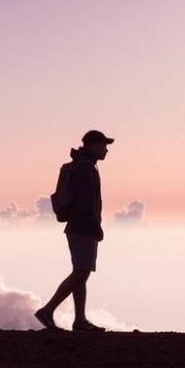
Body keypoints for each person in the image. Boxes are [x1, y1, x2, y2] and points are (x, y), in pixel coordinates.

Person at [35, 130, 115, 331]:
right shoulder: (85, 168)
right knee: (81, 271)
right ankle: (48, 310)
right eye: (103, 145)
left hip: (77, 226)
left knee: (81, 272)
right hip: (83, 227)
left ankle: (79, 320)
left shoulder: (81, 166)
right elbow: (86, 201)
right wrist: (96, 227)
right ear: (93, 145)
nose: (106, 150)